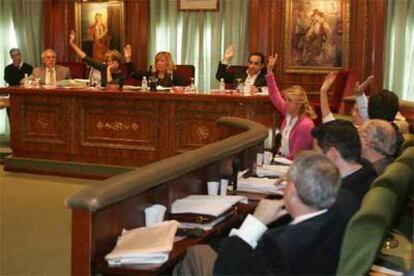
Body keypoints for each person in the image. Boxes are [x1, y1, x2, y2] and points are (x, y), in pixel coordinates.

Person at [174, 151, 347, 275]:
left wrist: (256, 222)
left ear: (292, 190)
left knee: (193, 254)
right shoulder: (340, 217)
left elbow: (227, 270)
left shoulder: (281, 243)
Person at [311, 120, 377, 218]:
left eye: (316, 153)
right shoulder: (367, 169)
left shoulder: (341, 199)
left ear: (332, 153)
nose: (314, 159)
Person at [266, 54, 317, 159]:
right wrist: (270, 72)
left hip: (294, 165)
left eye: (289, 100)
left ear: (299, 104)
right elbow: (275, 96)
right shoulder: (288, 113)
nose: (285, 103)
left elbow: (296, 156)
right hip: (282, 159)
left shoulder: (306, 125)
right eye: (285, 99)